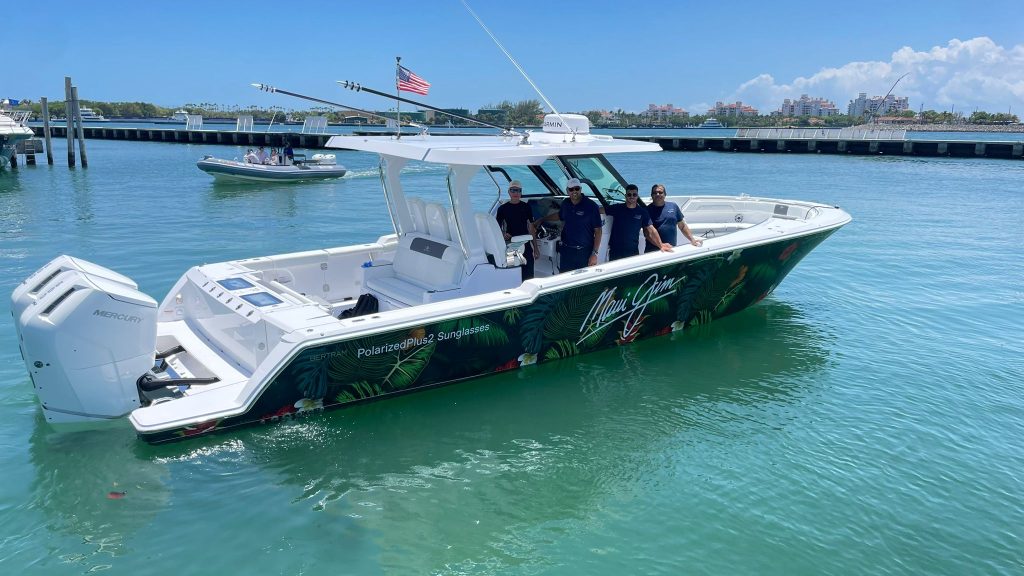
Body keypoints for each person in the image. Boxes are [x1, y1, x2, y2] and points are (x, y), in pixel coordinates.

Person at [606, 184, 673, 260]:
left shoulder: (642, 212)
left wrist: (661, 245)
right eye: (629, 194)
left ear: (637, 196)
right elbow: (600, 210)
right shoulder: (617, 208)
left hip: (632, 252)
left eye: (634, 194)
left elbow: (651, 229)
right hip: (615, 251)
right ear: (625, 196)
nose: (632, 196)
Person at [555, 178, 602, 272]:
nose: (574, 191)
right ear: (567, 191)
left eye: (577, 188)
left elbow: (598, 231)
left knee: (583, 283)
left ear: (581, 189)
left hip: (584, 252)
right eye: (571, 189)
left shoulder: (591, 206)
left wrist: (594, 254)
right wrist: (541, 220)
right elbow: (560, 216)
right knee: (564, 280)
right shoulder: (565, 203)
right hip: (566, 251)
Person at [494, 180, 536, 281]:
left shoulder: (526, 207)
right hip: (511, 247)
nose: (516, 193)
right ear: (509, 192)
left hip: (526, 246)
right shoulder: (502, 209)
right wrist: (503, 234)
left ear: (521, 192)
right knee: (513, 275)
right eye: (513, 190)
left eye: (518, 190)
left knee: (529, 276)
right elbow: (496, 229)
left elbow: (531, 227)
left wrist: (536, 248)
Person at [644, 183, 703, 252]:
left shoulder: (673, 206)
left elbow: (682, 226)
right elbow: (647, 233)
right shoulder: (646, 211)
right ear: (651, 195)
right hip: (653, 251)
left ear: (665, 194)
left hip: (671, 249)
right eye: (655, 193)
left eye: (660, 192)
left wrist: (692, 239)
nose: (657, 194)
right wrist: (661, 245)